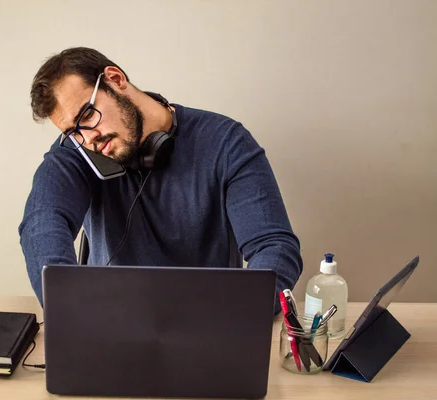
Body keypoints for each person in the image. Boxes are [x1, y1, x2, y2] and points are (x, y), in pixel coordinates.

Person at [19, 47, 302, 313]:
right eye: (73, 132)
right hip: (113, 322)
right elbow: (42, 222)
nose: (88, 138)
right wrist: (70, 309)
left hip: (213, 318)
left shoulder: (225, 142)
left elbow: (274, 246)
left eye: (88, 115)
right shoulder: (79, 152)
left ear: (115, 80)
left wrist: (238, 313)